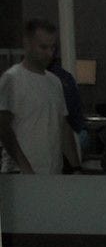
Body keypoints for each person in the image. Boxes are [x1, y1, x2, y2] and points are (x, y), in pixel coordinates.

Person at [0, 18, 81, 174]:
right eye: (43, 47)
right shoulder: (11, 80)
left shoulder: (55, 82)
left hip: (51, 172)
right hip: (20, 174)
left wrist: (76, 167)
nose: (49, 53)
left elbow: (63, 126)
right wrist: (26, 168)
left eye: (52, 48)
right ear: (28, 44)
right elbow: (4, 129)